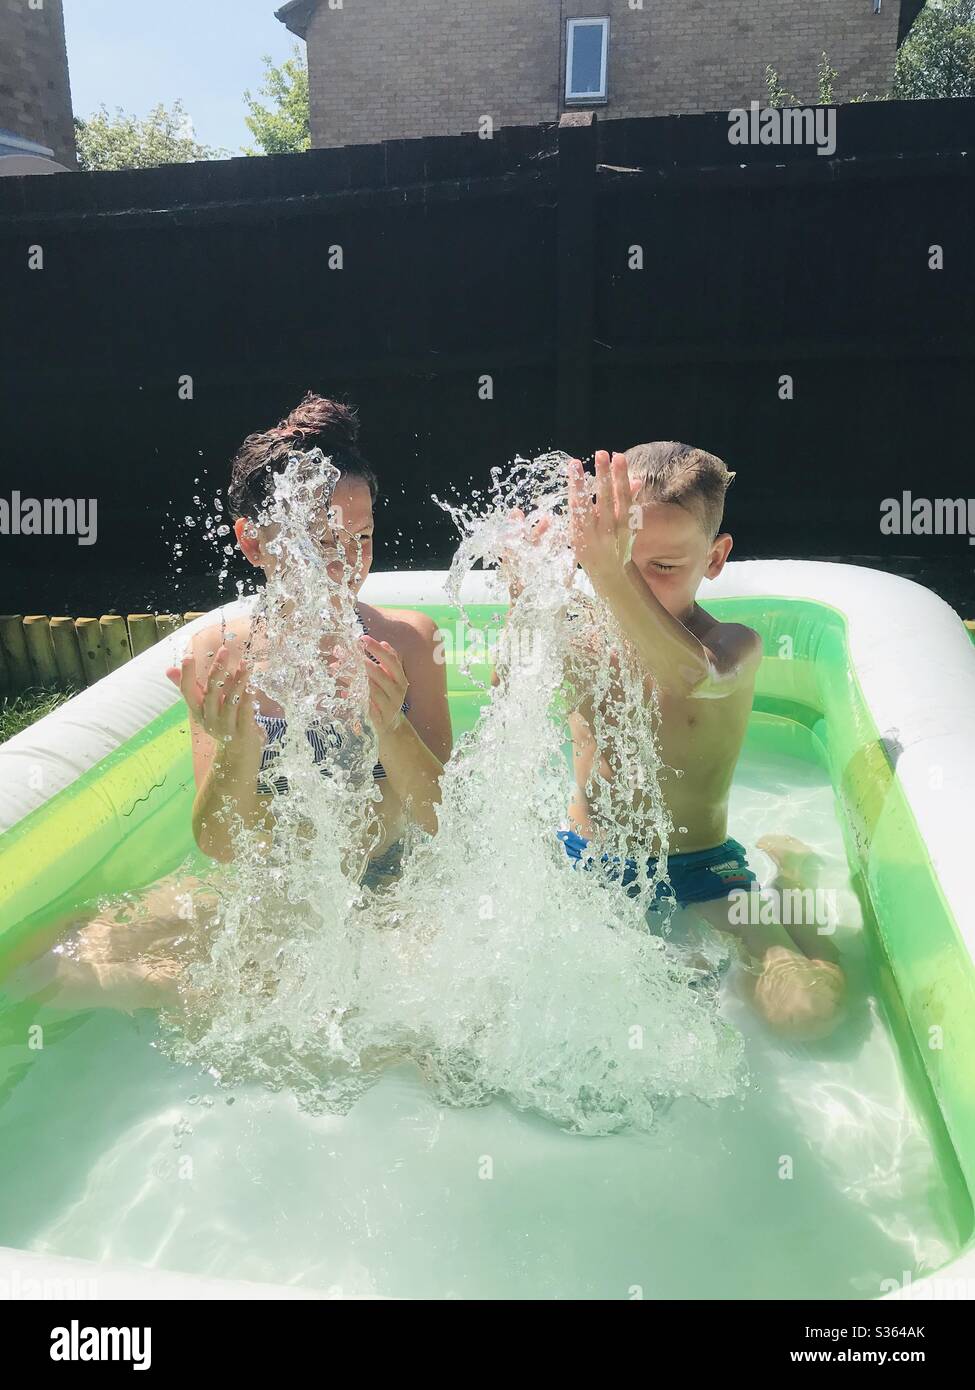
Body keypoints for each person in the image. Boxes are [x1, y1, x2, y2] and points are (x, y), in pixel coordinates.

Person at [503, 444, 845, 1040]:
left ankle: (795, 881)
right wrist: (525, 591)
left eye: (661, 567)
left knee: (805, 1014)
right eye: (621, 559)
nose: (632, 583)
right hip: (585, 858)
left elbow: (689, 675)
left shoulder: (733, 645)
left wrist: (608, 573)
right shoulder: (582, 637)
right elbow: (508, 689)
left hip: (701, 869)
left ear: (714, 559)